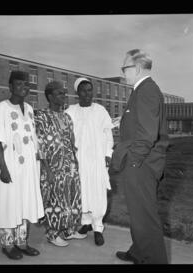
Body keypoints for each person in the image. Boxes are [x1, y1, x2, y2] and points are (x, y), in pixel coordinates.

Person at [109, 49, 169, 264]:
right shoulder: (142, 89)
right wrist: (123, 120)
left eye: (125, 67)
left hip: (141, 164)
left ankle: (154, 260)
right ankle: (138, 252)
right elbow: (141, 121)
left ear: (138, 68)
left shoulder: (146, 91)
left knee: (145, 218)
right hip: (142, 162)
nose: (123, 72)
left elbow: (147, 134)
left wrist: (133, 162)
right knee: (138, 213)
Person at [0, 70, 44, 260]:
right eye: (19, 84)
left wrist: (38, 162)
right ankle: (8, 244)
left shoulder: (30, 109)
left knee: (24, 201)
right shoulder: (2, 108)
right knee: (8, 202)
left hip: (27, 167)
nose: (24, 87)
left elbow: (32, 138)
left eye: (26, 84)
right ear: (10, 87)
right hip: (9, 165)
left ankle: (22, 242)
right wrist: (3, 168)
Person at [34, 81, 85, 247]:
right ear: (49, 96)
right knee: (55, 200)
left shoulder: (67, 117)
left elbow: (71, 141)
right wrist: (46, 169)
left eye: (64, 93)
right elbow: (39, 145)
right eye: (59, 93)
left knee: (71, 197)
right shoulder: (41, 116)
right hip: (53, 166)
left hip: (69, 165)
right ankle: (52, 233)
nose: (64, 96)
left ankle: (68, 230)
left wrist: (75, 162)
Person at [65, 77, 114, 246]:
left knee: (98, 193)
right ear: (77, 92)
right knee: (81, 192)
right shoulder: (70, 111)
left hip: (97, 159)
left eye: (90, 90)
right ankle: (85, 223)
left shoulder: (100, 111)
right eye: (84, 90)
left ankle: (98, 228)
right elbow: (65, 135)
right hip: (78, 160)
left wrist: (108, 154)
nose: (88, 93)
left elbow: (108, 135)